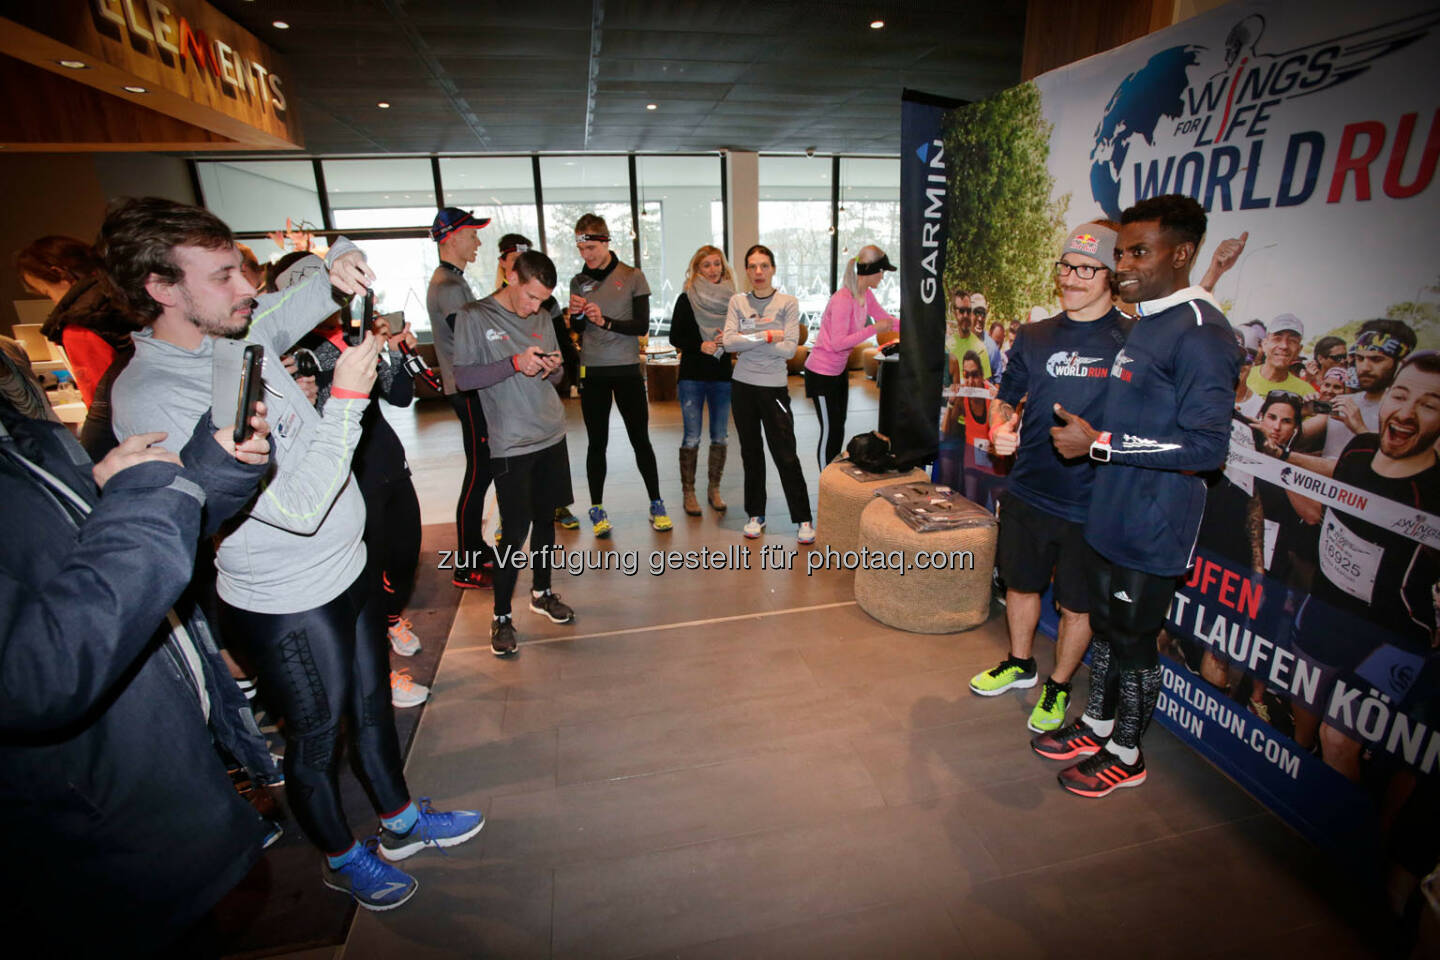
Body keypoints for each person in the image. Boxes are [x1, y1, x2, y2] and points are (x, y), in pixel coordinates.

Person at [105, 197, 482, 912]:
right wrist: (344, 399)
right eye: (223, 277)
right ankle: (344, 858)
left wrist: (334, 269)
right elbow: (298, 510)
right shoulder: (154, 392)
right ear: (161, 288)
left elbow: (281, 311)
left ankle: (400, 824)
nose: (248, 289)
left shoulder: (227, 340)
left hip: (349, 567)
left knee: (374, 710)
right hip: (286, 598)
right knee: (316, 742)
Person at [0, 387, 280, 956]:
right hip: (89, 846)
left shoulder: (18, 434)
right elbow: (33, 671)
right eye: (226, 285)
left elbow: (93, 555)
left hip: (148, 784)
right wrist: (145, 494)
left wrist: (208, 469)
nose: (243, 291)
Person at [1039, 194, 1240, 798]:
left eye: (1139, 252)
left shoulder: (1203, 332)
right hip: (1112, 509)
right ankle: (1098, 725)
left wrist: (1099, 444)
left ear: (1182, 254)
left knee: (1131, 638)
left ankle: (1127, 753)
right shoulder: (1150, 316)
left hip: (1155, 524)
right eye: (1121, 251)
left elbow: (1206, 449)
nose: (1123, 263)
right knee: (1105, 624)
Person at [971, 221, 1129, 735]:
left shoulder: (1132, 340)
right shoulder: (1036, 336)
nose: (1072, 278)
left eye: (1086, 269)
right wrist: (1000, 427)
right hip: (1029, 488)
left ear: (1111, 275)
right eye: (1066, 266)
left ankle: (1059, 685)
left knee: (1076, 604)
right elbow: (1005, 394)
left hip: (1092, 503)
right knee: (1019, 583)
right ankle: (1020, 662)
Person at [280, 259, 430, 707]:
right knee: (363, 575)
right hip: (344, 477)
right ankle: (377, 677)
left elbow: (400, 396)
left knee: (404, 556)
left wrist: (396, 349)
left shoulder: (355, 335)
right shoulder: (293, 351)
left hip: (387, 462)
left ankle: (390, 618)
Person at [1284, 352, 1440, 781]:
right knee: (1305, 711)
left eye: (1428, 405)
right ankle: (1297, 773)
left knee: (1340, 738)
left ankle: (1336, 834)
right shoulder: (1359, 447)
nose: (1406, 413)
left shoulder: (1434, 489)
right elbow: (1336, 476)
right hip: (1325, 612)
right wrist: (1287, 470)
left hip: (1391, 637)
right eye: (1401, 396)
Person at [452, 250, 577, 656]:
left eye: (542, 299)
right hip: (510, 443)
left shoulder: (541, 316)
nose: (536, 307)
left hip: (551, 432)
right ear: (510, 277)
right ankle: (501, 616)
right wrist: (513, 362)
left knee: (545, 523)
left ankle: (541, 593)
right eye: (531, 297)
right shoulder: (475, 316)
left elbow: (558, 375)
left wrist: (554, 366)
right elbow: (465, 377)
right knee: (514, 532)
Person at [567, 213, 670, 536]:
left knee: (640, 438)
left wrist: (605, 320)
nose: (587, 256)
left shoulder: (633, 276)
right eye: (581, 250)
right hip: (593, 369)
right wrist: (577, 318)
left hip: (626, 369)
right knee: (596, 442)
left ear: (605, 242)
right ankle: (596, 507)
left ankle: (656, 502)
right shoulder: (578, 281)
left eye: (591, 249)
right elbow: (577, 328)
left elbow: (641, 326)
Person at [16, 235, 138, 459]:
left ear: (59, 273)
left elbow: (100, 399)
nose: (53, 302)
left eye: (47, 292)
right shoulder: (126, 293)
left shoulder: (81, 324)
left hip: (126, 429)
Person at [426, 206, 497, 589]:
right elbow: (472, 338)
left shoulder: (452, 280)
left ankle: (476, 546)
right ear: (451, 237)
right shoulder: (448, 286)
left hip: (466, 387)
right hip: (466, 389)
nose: (478, 241)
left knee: (481, 470)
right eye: (472, 234)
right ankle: (466, 563)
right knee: (478, 474)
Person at [724, 244, 814, 543]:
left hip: (774, 387)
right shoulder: (738, 301)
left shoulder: (787, 302)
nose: (758, 272)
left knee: (785, 453)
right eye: (752, 266)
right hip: (743, 386)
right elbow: (728, 343)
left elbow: (790, 348)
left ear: (773, 268)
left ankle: (803, 519)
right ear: (746, 271)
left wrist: (746, 339)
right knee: (751, 454)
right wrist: (765, 335)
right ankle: (755, 515)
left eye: (764, 265)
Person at [495, 232, 582, 530]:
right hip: (506, 406)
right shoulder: (487, 308)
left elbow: (560, 342)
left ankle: (557, 505)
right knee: (509, 468)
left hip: (542, 396)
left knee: (551, 451)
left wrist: (567, 370)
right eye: (514, 259)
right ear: (507, 267)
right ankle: (508, 516)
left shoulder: (547, 303)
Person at [804, 245, 898, 469]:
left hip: (837, 371)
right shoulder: (843, 299)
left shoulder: (866, 295)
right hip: (820, 373)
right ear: (871, 270)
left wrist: (914, 329)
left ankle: (832, 480)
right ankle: (826, 483)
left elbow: (885, 318)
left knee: (839, 427)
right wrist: (874, 329)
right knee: (830, 431)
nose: (883, 277)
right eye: (881, 272)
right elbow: (838, 343)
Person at [669, 244, 735, 515]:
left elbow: (739, 334)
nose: (712, 270)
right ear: (697, 269)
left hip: (721, 375)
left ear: (723, 266)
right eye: (706, 265)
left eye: (716, 264)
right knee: (692, 437)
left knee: (720, 435)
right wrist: (700, 345)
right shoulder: (686, 298)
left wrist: (727, 341)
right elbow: (675, 336)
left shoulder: (734, 300)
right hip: (692, 376)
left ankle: (714, 490)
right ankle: (689, 493)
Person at [1300, 319, 1416, 459]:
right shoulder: (1342, 402)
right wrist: (1299, 411)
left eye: (1376, 359)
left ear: (1401, 364)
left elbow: (1392, 467)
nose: (1365, 368)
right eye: (1360, 358)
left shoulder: (1410, 415)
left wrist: (1361, 431)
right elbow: (1296, 437)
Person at [1246, 313, 1315, 399]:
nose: (1284, 346)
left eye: (1292, 341)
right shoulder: (1243, 376)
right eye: (1277, 338)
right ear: (1264, 344)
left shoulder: (1305, 393)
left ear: (1299, 350)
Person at [968, 292, 1003, 380]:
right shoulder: (957, 342)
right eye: (976, 313)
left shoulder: (992, 348)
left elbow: (998, 380)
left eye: (983, 314)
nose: (980, 318)